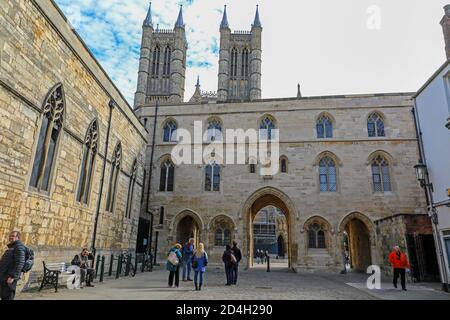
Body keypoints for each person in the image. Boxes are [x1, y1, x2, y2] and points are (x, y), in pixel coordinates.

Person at [0, 231, 26, 300]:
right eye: (10, 236)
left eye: (13, 236)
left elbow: (20, 263)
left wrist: (12, 276)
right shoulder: (13, 247)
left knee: (8, 297)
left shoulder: (19, 247)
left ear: (18, 237)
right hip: (4, 276)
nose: (10, 237)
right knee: (4, 296)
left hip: (9, 277)